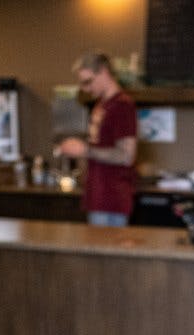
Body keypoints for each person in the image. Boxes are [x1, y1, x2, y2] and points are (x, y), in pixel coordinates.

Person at [56, 53, 137, 227]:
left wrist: (84, 150)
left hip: (112, 200)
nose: (85, 88)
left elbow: (126, 155)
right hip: (96, 196)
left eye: (88, 81)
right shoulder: (101, 105)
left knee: (107, 253)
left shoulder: (122, 105)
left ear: (103, 72)